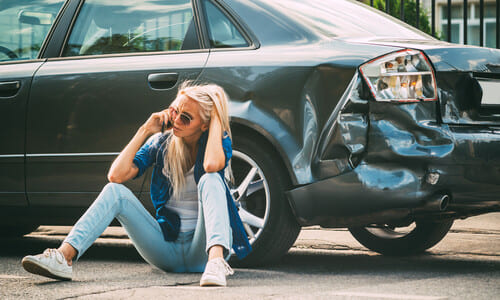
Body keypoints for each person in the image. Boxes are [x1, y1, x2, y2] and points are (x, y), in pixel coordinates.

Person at [21, 82, 251, 287]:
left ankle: (216, 263)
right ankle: (64, 257)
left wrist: (217, 121)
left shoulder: (218, 143)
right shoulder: (161, 143)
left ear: (205, 125)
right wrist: (145, 130)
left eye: (186, 117)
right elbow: (116, 176)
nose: (177, 120)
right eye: (174, 111)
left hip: (202, 253)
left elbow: (211, 166)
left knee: (212, 179)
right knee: (115, 192)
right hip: (166, 250)